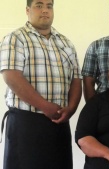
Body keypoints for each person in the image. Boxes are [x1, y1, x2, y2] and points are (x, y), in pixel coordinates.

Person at [0, 0, 82, 169]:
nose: (45, 10)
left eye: (49, 6)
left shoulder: (66, 43)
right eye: (39, 5)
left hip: (58, 124)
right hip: (25, 125)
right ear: (27, 10)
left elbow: (76, 80)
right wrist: (44, 106)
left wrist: (71, 108)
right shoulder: (16, 38)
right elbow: (11, 76)